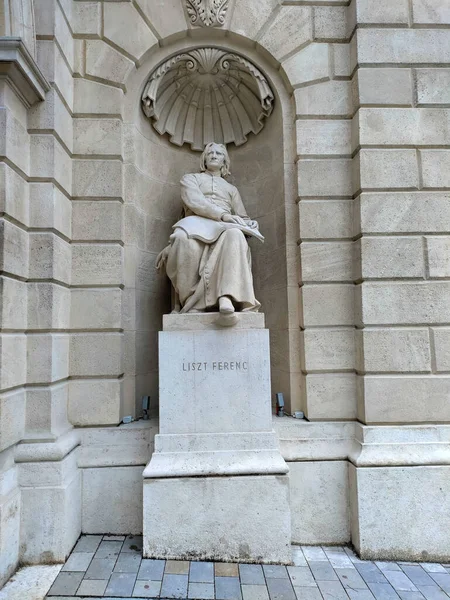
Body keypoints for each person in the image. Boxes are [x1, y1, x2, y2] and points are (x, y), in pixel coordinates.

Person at [156, 142, 262, 315]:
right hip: (194, 223)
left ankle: (226, 296)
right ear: (204, 159)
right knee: (182, 240)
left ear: (224, 162)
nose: (213, 155)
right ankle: (192, 302)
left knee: (235, 234)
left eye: (218, 153)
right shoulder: (190, 179)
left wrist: (249, 223)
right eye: (210, 153)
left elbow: (242, 216)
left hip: (225, 226)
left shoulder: (231, 189)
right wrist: (223, 215)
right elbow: (194, 201)